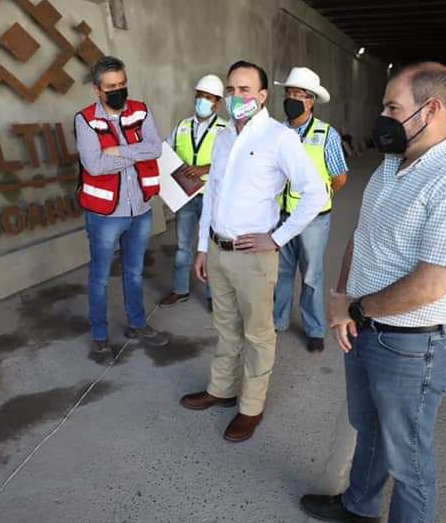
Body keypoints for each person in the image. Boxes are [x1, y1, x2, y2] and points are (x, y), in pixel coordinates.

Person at [300, 62, 446, 523]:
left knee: (409, 465)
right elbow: (363, 236)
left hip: (413, 349)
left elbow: (431, 285)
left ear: (430, 110)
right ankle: (360, 506)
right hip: (365, 329)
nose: (383, 117)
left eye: (393, 108)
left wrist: (355, 309)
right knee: (367, 427)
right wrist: (341, 298)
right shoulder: (393, 165)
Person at [179, 60, 326, 442]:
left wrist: (277, 238)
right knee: (225, 327)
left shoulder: (280, 138)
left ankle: (251, 407)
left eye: (244, 90)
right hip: (218, 249)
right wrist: (202, 248)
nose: (235, 97)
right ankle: (221, 390)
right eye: (231, 90)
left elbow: (315, 193)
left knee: (258, 335)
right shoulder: (224, 136)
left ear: (262, 96)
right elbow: (212, 193)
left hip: (253, 257)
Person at [75, 56, 169, 363]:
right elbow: (94, 165)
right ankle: (100, 338)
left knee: (135, 271)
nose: (119, 91)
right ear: (97, 90)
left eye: (122, 84)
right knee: (100, 277)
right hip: (105, 214)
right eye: (111, 87)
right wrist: (136, 153)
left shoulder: (140, 110)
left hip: (140, 208)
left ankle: (137, 324)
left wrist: (116, 150)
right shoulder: (85, 120)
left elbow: (155, 148)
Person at [273, 67, 349, 352]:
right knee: (281, 273)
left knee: (311, 277)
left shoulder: (326, 134)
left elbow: (339, 177)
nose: (292, 99)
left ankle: (315, 330)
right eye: (289, 93)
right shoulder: (277, 132)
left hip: (313, 221)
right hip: (281, 216)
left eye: (299, 94)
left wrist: (317, 200)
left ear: (311, 100)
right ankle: (277, 321)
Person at [159, 74, 227, 311]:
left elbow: (232, 163)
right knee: (183, 245)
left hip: (212, 196)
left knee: (211, 248)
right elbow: (166, 153)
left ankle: (212, 295)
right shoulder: (182, 126)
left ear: (217, 103)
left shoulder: (225, 130)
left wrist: (204, 169)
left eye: (208, 98)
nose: (202, 101)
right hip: (185, 196)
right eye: (200, 96)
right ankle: (180, 290)